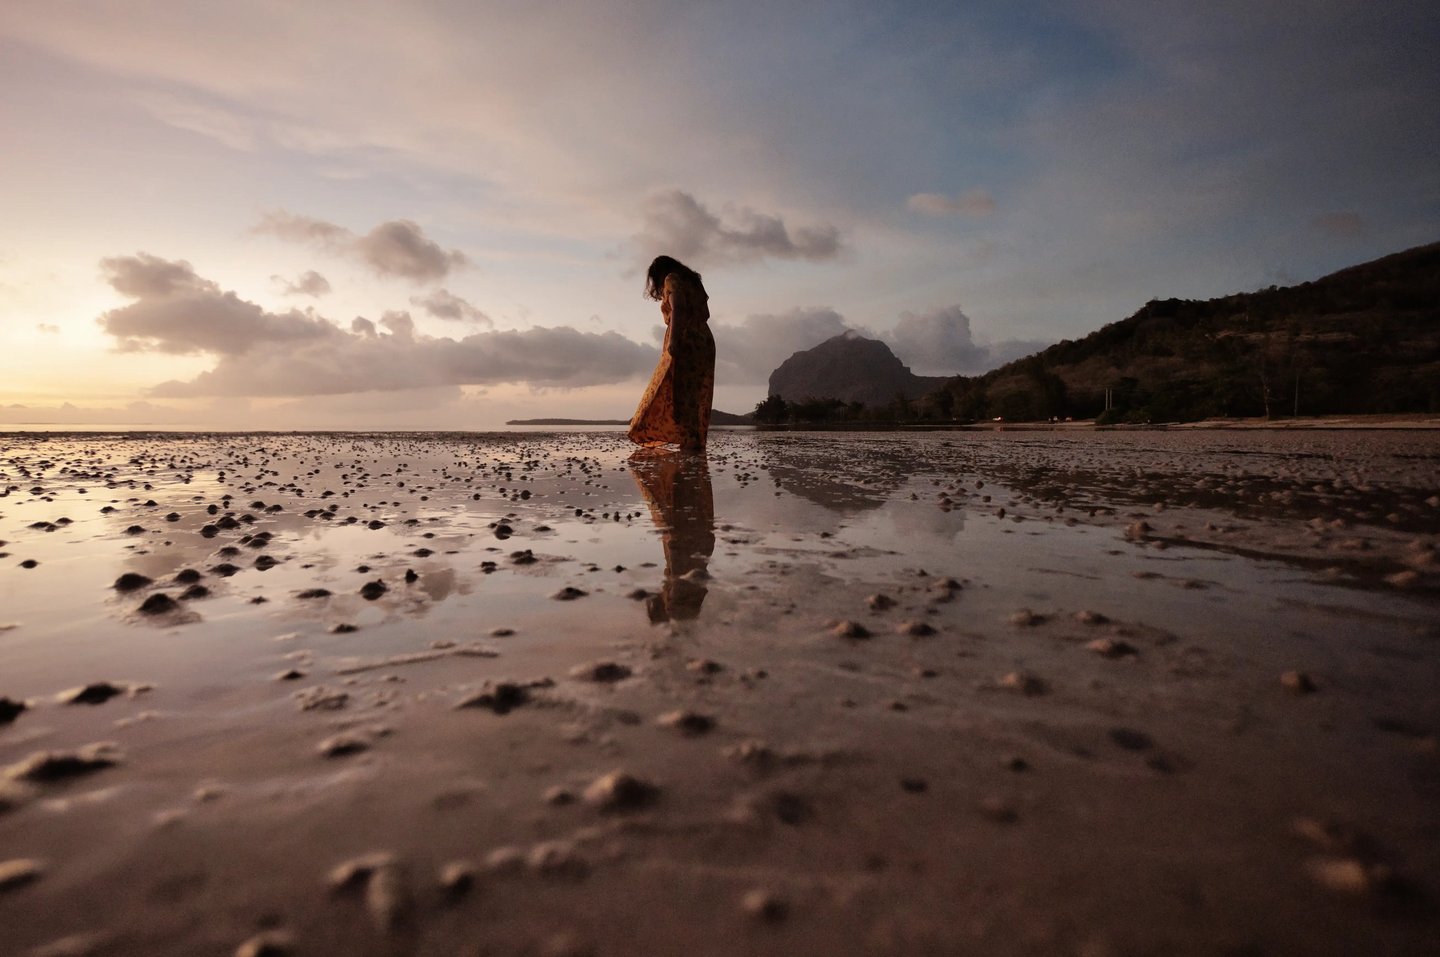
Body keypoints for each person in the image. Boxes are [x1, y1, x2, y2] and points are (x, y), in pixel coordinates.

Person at [628, 255, 715, 451]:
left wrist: (674, 339)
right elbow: (706, 313)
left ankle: (687, 442)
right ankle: (692, 442)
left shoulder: (671, 279)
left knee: (676, 391)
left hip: (685, 337)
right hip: (704, 339)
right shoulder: (693, 282)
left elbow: (678, 308)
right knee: (693, 392)